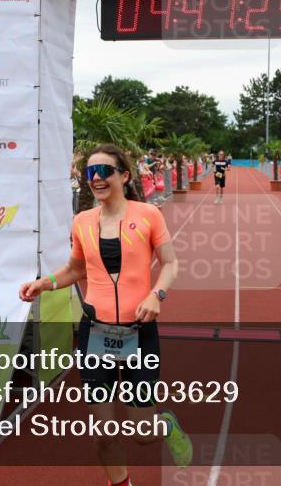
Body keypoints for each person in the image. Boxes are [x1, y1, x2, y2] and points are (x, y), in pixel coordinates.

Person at [19, 144, 192, 485]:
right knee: (104, 433)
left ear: (124, 176)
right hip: (95, 335)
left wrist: (156, 295)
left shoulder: (148, 215)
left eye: (104, 172)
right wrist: (45, 283)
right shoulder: (82, 221)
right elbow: (75, 269)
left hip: (139, 333)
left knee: (143, 431)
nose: (96, 179)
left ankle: (166, 424)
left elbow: (171, 264)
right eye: (90, 173)